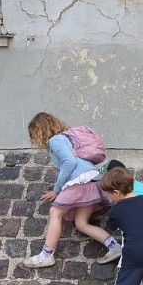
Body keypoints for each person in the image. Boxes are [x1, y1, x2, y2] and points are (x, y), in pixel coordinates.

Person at [23, 112, 122, 268]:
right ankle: (114, 246)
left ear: (40, 129)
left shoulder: (55, 140)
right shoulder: (67, 138)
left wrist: (57, 190)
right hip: (92, 179)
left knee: (55, 213)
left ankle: (46, 255)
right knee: (81, 223)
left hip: (79, 180)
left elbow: (69, 162)